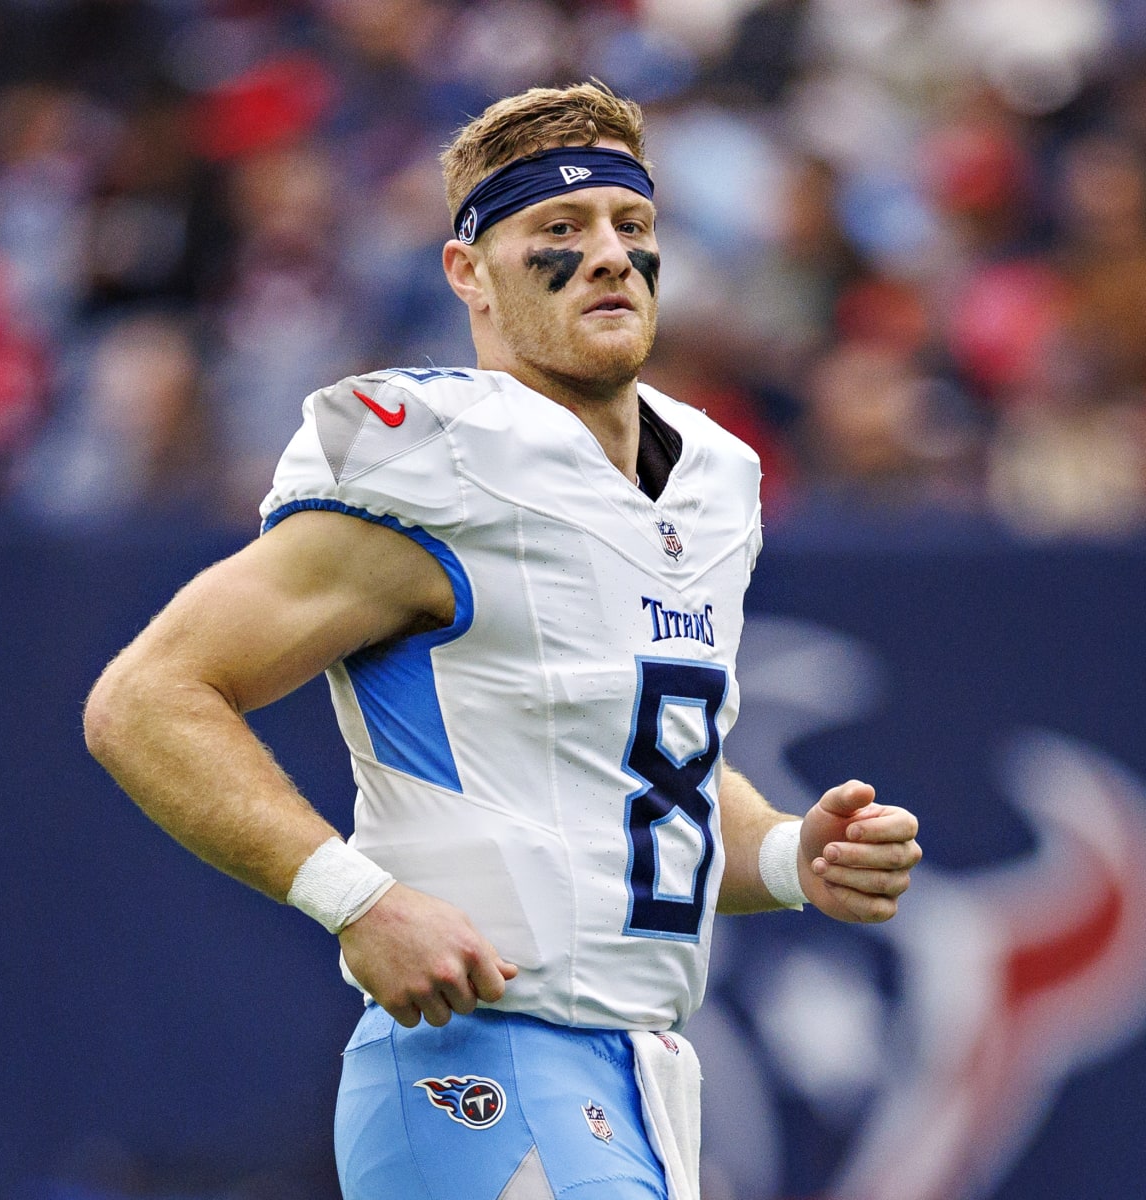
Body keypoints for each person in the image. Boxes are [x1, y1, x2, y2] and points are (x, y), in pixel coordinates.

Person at [84, 82, 922, 1200]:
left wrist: (783, 854)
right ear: (468, 272)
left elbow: (632, 766)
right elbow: (145, 698)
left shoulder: (711, 479)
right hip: (482, 1061)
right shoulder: (439, 460)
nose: (611, 256)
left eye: (632, 227)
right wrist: (356, 897)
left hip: (640, 1070)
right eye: (560, 233)